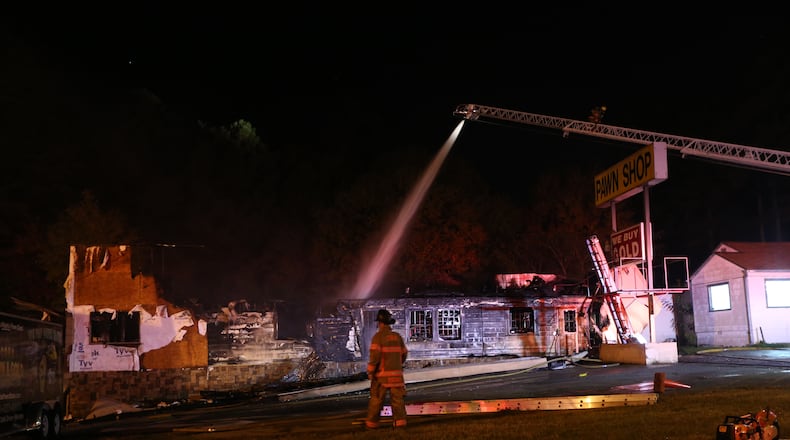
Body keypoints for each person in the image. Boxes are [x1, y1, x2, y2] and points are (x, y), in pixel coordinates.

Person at [365, 308, 408, 430]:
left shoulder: (378, 337)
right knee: (398, 401)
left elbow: (374, 357)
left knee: (376, 400)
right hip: (397, 376)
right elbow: (404, 354)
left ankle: (372, 424)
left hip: (381, 377)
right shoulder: (397, 337)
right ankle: (400, 424)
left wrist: (370, 371)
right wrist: (397, 365)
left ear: (380, 323)